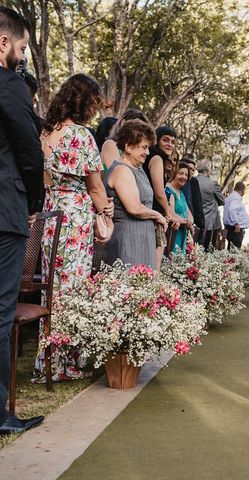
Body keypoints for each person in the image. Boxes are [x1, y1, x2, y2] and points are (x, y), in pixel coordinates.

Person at [35, 73, 114, 383]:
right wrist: (105, 209)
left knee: (52, 289)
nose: (94, 111)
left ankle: (48, 360)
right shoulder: (81, 135)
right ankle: (68, 363)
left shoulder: (45, 134)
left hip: (50, 214)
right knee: (74, 287)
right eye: (93, 104)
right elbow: (95, 187)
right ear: (83, 103)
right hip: (75, 216)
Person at [0, 5, 45, 435]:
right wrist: (35, 201)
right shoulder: (10, 85)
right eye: (22, 45)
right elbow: (30, 153)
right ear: (4, 43)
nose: (23, 54)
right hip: (4, 213)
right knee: (0, 311)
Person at [104, 119, 167, 270]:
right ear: (128, 147)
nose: (147, 152)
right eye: (144, 147)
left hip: (142, 238)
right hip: (128, 239)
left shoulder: (137, 169)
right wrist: (158, 216)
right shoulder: (121, 170)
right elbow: (134, 208)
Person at [143, 125, 180, 267]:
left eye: (172, 142)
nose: (169, 144)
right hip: (155, 214)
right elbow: (159, 192)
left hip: (148, 211)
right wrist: (167, 213)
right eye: (165, 140)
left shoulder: (151, 156)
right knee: (155, 262)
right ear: (156, 140)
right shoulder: (157, 158)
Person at [195, 159, 224, 251]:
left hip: (195, 222)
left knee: (194, 250)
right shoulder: (212, 184)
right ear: (208, 170)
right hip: (210, 223)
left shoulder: (192, 181)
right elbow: (222, 200)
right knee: (208, 250)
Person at [165, 162, 193, 254]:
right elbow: (171, 213)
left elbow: (188, 213)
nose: (184, 177)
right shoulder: (168, 189)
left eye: (186, 175)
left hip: (182, 231)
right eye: (180, 173)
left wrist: (189, 222)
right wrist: (187, 223)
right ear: (174, 173)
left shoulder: (181, 193)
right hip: (172, 232)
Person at [179, 156, 205, 232]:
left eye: (193, 170)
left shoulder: (193, 182)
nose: (190, 172)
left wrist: (201, 224)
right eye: (189, 169)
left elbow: (197, 204)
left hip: (191, 224)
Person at [223, 181, 249, 250]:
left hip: (232, 228)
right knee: (234, 251)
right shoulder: (235, 198)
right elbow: (232, 209)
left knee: (231, 249)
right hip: (236, 229)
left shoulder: (230, 197)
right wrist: (236, 223)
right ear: (243, 190)